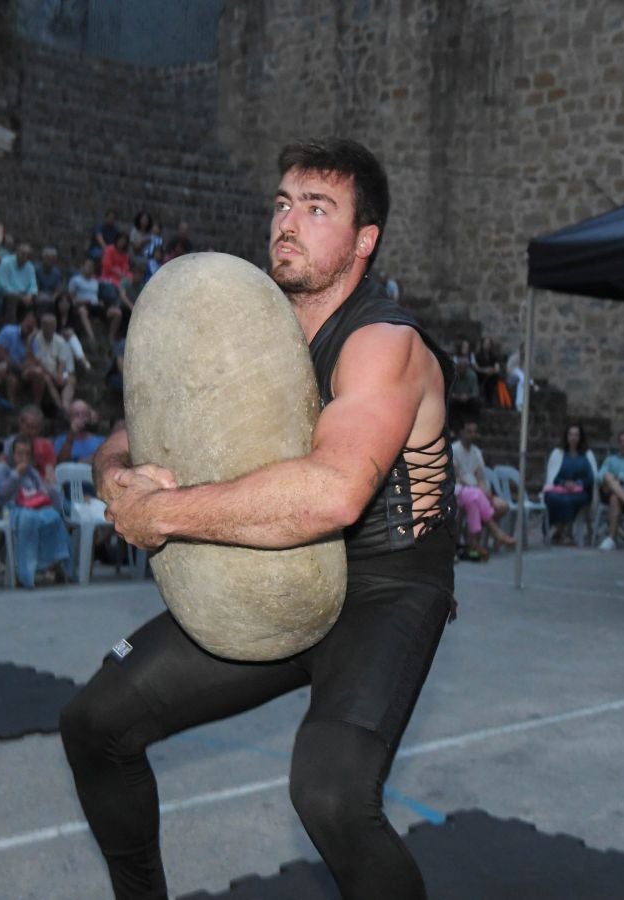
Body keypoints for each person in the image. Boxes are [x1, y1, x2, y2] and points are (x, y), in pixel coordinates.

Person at [60, 138, 456, 900]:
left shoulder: (383, 344)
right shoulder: (245, 323)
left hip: (385, 589)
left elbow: (335, 493)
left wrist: (165, 513)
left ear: (363, 241)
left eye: (318, 208)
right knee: (94, 723)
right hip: (272, 570)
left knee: (331, 794)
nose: (288, 223)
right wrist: (120, 481)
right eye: (282, 203)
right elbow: (125, 434)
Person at [0, 434, 74, 587]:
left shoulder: (31, 471)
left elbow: (41, 491)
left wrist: (50, 488)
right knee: (28, 520)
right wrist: (16, 473)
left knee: (54, 517)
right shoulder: (3, 469)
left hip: (35, 507)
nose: (23, 458)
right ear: (12, 453)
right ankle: (26, 573)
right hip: (13, 509)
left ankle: (57, 564)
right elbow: (3, 493)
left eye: (27, 454)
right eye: (19, 453)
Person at [450, 420, 515, 559]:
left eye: (474, 432)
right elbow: (457, 477)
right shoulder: (454, 449)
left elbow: (480, 477)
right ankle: (495, 532)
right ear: (461, 433)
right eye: (469, 432)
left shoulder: (477, 452)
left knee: (482, 501)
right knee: (474, 495)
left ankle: (472, 542)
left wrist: (486, 491)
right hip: (457, 489)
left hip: (473, 492)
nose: (472, 435)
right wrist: (477, 488)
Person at [543, 423, 597, 546]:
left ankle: (563, 532)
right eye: (571, 434)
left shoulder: (587, 455)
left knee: (568, 500)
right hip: (560, 489)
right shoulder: (558, 453)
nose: (573, 438)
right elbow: (552, 477)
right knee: (552, 498)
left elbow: (592, 478)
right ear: (566, 436)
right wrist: (564, 483)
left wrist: (577, 483)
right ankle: (559, 530)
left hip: (582, 491)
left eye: (576, 435)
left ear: (580, 437)